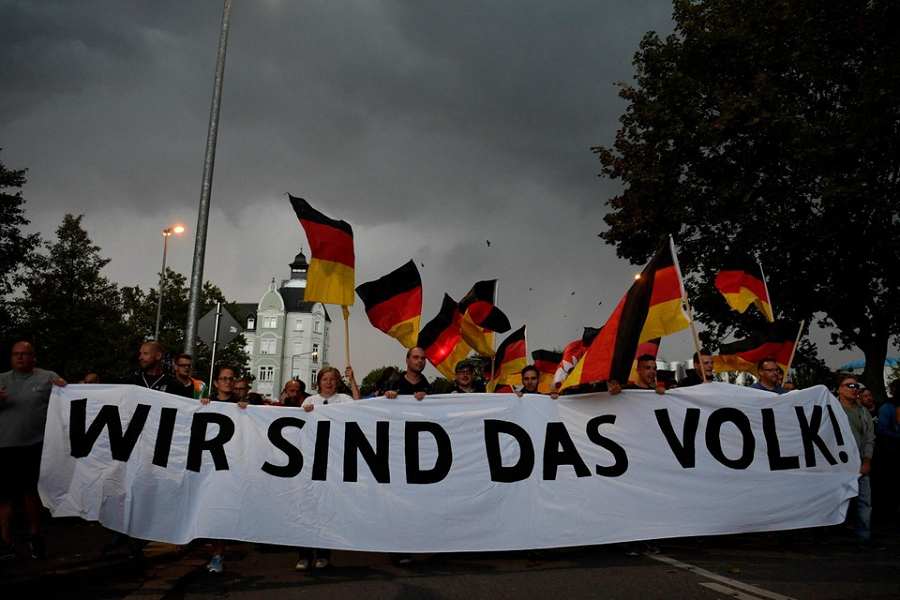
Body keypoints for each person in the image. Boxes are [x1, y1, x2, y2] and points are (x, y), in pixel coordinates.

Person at [0, 341, 66, 560]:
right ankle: (5, 542)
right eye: (16, 354)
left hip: (35, 446)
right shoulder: (2, 380)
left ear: (33, 357)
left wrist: (70, 388)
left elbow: (68, 397)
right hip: (5, 447)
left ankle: (35, 536)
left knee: (31, 494)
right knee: (6, 497)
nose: (20, 358)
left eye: (25, 354)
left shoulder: (47, 378)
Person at [295, 366, 360, 571]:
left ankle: (323, 554)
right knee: (307, 508)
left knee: (326, 508)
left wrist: (353, 381)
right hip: (311, 462)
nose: (329, 382)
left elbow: (360, 407)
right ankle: (304, 555)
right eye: (325, 379)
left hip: (333, 462)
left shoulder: (343, 399)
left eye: (333, 379)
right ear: (319, 382)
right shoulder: (310, 402)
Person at [200, 365, 248, 573]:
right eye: (224, 378)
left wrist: (246, 411)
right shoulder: (207, 403)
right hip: (206, 464)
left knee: (221, 510)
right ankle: (211, 550)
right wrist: (202, 407)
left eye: (231, 378)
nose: (228, 382)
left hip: (230, 466)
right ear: (217, 382)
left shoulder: (243, 405)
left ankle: (218, 554)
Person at [836, 374, 875, 544]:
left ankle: (863, 537)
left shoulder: (863, 412)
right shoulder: (830, 409)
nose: (854, 389)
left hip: (859, 464)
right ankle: (832, 536)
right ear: (839, 389)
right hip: (836, 465)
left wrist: (867, 461)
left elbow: (869, 438)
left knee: (864, 502)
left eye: (856, 386)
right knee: (835, 500)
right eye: (849, 385)